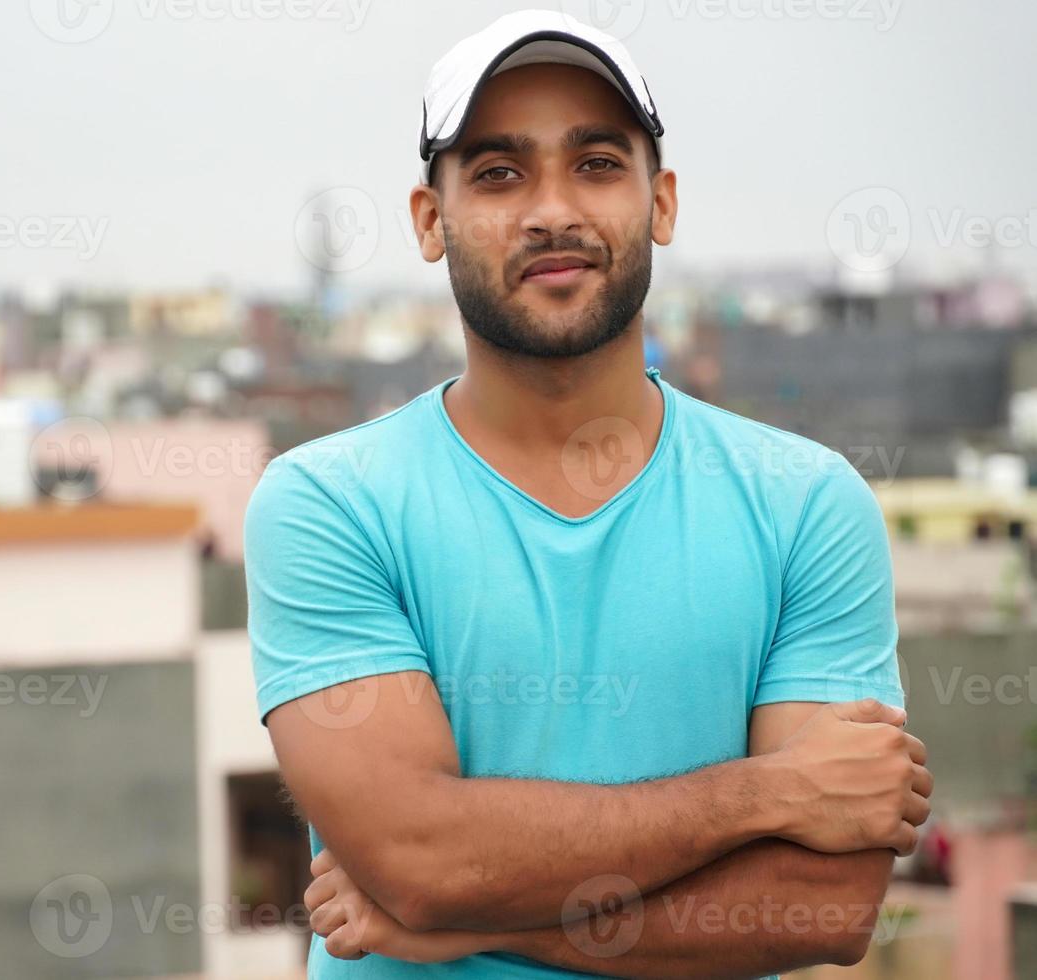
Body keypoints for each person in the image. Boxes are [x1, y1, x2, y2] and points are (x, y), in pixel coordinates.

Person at [243, 10, 932, 978]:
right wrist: (765, 793)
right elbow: (420, 860)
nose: (551, 210)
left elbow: (819, 907)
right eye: (497, 172)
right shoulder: (329, 502)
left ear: (662, 202)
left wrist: (479, 922)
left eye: (597, 163)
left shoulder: (804, 504)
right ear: (428, 220)